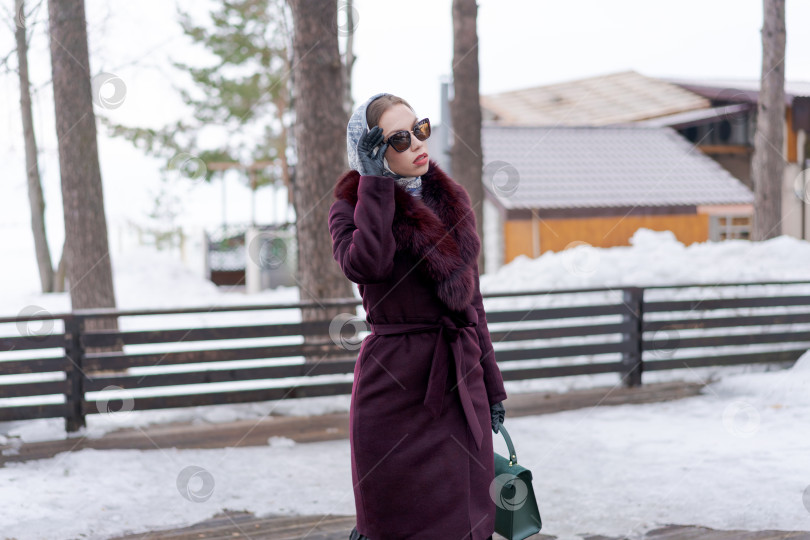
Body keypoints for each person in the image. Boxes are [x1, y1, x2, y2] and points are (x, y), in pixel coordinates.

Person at [328, 92, 508, 540]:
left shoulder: (450, 199)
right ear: (370, 152)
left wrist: (492, 387)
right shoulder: (349, 206)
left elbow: (473, 305)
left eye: (420, 130)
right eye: (400, 139)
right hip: (393, 387)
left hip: (459, 383)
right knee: (397, 521)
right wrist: (374, 186)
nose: (417, 145)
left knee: (465, 518)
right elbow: (367, 265)